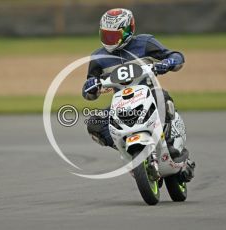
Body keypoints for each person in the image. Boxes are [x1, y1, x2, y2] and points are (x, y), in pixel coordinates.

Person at [82, 8, 195, 182]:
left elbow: (176, 56)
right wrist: (90, 86)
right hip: (121, 103)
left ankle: (171, 144)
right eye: (105, 35)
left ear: (127, 31)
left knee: (163, 99)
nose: (108, 40)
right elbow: (89, 93)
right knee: (94, 124)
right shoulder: (98, 57)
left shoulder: (145, 43)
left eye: (113, 36)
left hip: (150, 93)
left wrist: (169, 62)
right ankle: (129, 149)